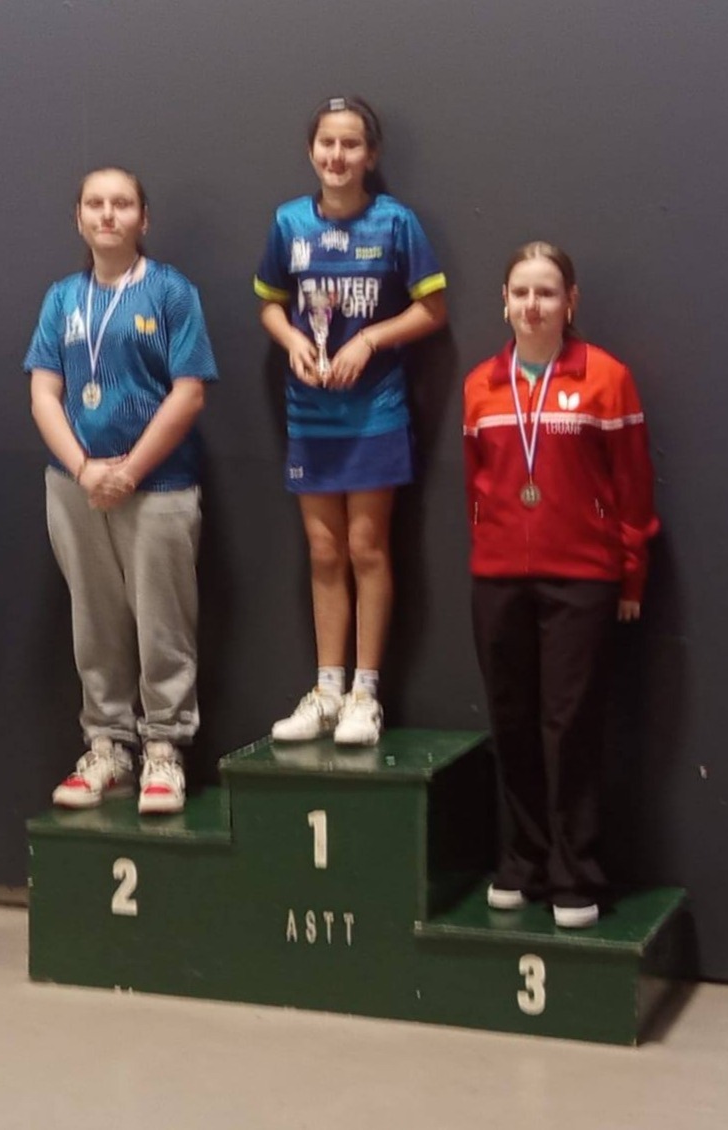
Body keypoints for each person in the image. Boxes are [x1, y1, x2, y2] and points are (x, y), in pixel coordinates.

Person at [463, 242, 658, 928]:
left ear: (570, 302)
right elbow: (477, 486)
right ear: (504, 302)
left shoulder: (606, 378)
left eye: (546, 292)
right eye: (520, 292)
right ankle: (524, 860)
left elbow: (633, 485)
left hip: (583, 578)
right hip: (498, 578)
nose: (532, 305)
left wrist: (631, 573)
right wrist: (487, 549)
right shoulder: (480, 386)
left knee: (569, 726)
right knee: (511, 721)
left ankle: (576, 873)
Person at [254, 96, 448, 746]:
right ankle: (327, 689)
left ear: (371, 154)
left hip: (375, 411)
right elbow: (271, 304)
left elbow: (432, 310)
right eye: (327, 143)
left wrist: (369, 340)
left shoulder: (396, 223)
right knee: (322, 551)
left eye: (351, 144)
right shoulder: (288, 222)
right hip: (310, 409)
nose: (337, 156)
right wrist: (292, 342)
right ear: (311, 150)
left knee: (367, 547)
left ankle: (366, 693)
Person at [26, 166, 219, 814]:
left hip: (158, 485)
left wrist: (130, 470)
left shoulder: (170, 292)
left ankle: (164, 748)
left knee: (163, 622)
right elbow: (44, 391)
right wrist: (85, 469)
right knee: (94, 619)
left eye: (122, 204)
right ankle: (107, 746)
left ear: (144, 218)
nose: (108, 214)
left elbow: (189, 392)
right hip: (75, 486)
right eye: (95, 204)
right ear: (78, 218)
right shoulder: (62, 299)